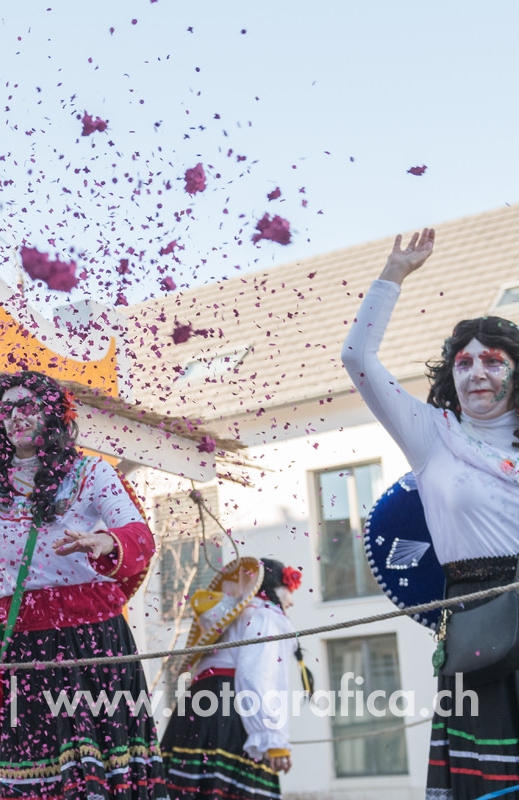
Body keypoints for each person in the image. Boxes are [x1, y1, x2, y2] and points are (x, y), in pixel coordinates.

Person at [0, 370, 168, 799]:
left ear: (54, 414)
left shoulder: (91, 474)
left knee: (100, 772)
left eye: (26, 406)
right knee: (35, 772)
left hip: (95, 642)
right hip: (28, 649)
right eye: (5, 409)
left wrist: (106, 541)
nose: (14, 417)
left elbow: (139, 536)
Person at [342, 228, 519, 799]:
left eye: (492, 361)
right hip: (479, 625)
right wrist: (393, 275)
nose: (477, 373)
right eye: (464, 363)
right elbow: (357, 359)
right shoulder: (432, 434)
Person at [160, 557, 309, 800]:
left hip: (196, 708)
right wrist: (272, 738)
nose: (291, 601)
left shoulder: (231, 615)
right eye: (289, 592)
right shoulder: (265, 616)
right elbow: (257, 676)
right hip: (228, 711)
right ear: (275, 588)